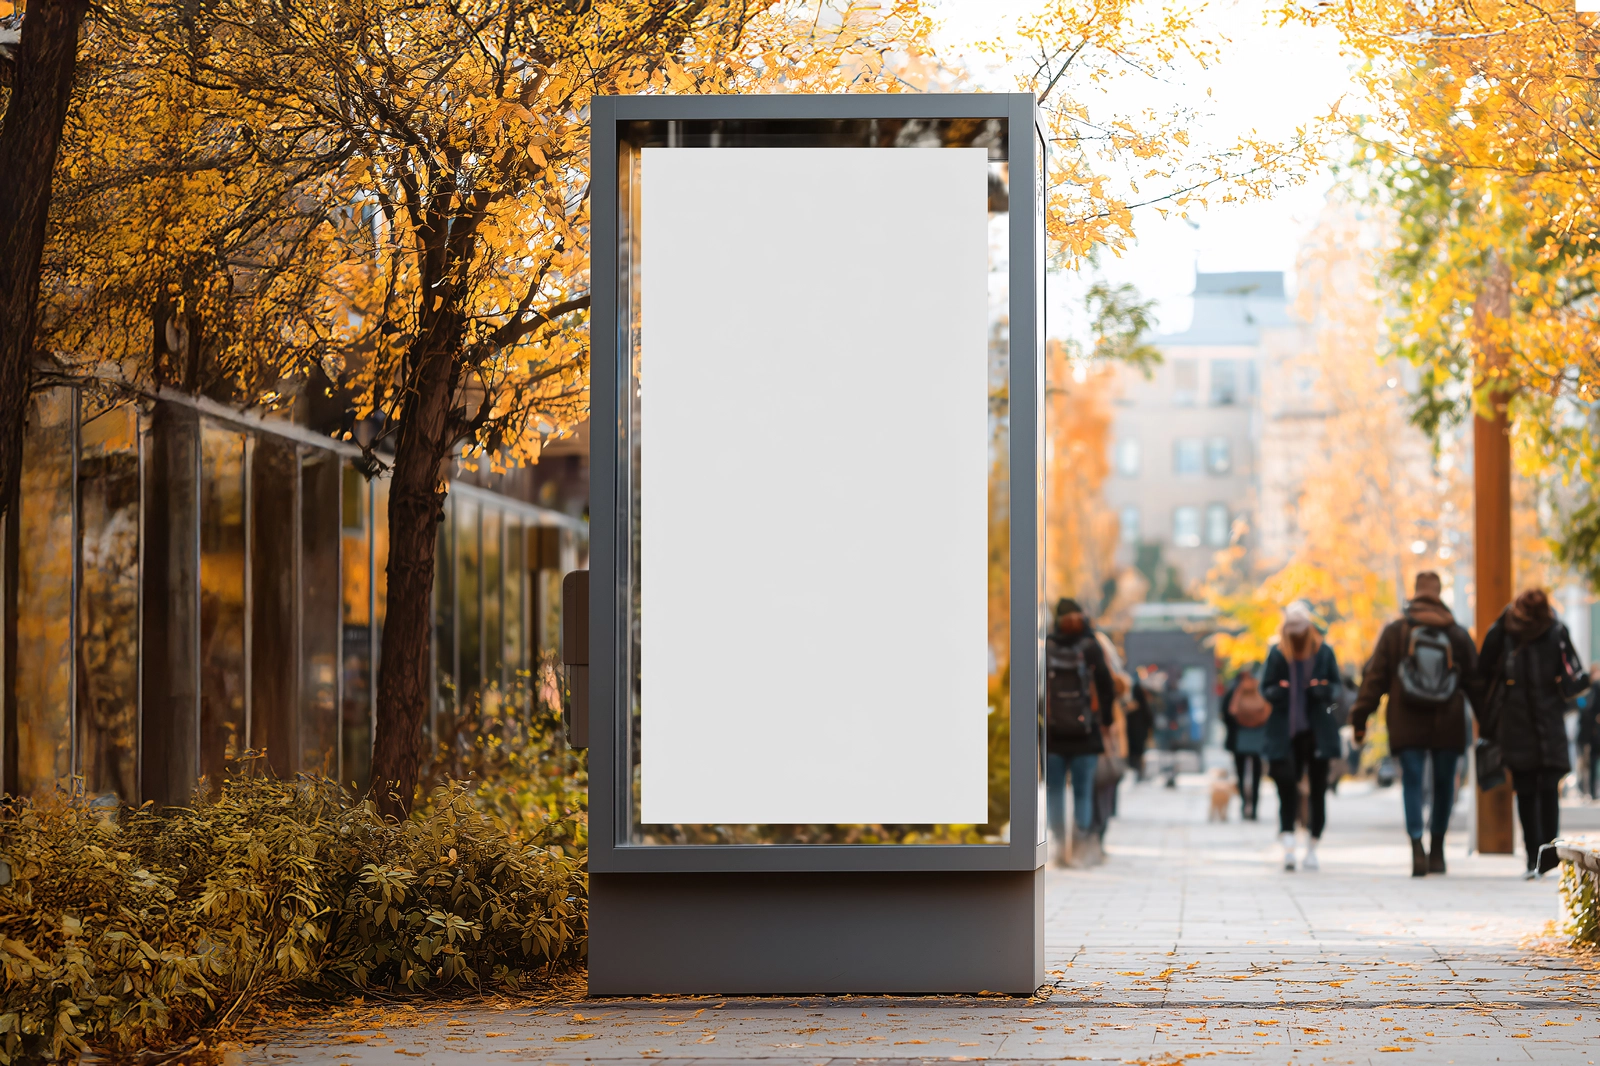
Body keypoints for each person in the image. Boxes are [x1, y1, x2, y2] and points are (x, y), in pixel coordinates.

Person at [1349, 571, 1481, 877]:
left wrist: (1360, 717)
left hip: (1406, 720)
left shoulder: (1396, 632)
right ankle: (1438, 849)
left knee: (1411, 782)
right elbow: (1476, 683)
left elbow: (1374, 679)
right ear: (1439, 594)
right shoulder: (1457, 634)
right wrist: (1488, 725)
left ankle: (1416, 847)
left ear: (1416, 593)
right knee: (1444, 785)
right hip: (1447, 721)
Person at [1477, 588, 1590, 878]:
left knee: (1525, 789)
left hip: (1514, 720)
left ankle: (1532, 858)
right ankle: (1549, 857)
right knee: (1549, 788)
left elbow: (1482, 670)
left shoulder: (1503, 630)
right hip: (1548, 718)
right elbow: (1572, 680)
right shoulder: (1555, 631)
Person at [1261, 600, 1342, 872]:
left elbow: (1338, 696)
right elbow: (1266, 688)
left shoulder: (1323, 652)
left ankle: (1313, 848)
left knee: (1318, 791)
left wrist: (1325, 696)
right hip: (1285, 732)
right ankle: (1288, 846)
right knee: (1286, 789)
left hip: (1318, 733)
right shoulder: (1277, 653)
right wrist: (1278, 694)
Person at [1045, 597, 1117, 868]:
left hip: (1053, 735)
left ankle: (1059, 847)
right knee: (1083, 792)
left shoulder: (1047, 647)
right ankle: (1080, 848)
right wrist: (1105, 721)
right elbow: (1107, 687)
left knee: (1054, 791)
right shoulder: (1090, 646)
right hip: (1086, 734)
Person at [1221, 663, 1267, 820]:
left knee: (1241, 774)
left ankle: (1243, 804)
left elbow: (1226, 714)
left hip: (1238, 737)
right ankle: (1254, 807)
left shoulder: (1234, 690)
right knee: (1256, 775)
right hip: (1258, 736)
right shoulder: (1260, 688)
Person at [1126, 673, 1153, 782]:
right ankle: (1138, 774)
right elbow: (1150, 721)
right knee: (1139, 755)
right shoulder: (1145, 706)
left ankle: (1134, 774)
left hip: (1131, 736)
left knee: (1133, 755)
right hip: (1141, 736)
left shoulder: (1130, 707)